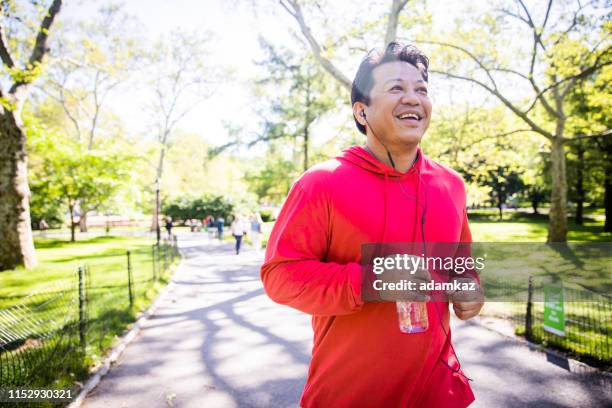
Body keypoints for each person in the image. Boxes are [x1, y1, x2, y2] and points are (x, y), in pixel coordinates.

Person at [261, 42, 484, 407]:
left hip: (441, 392)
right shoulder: (321, 183)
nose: (413, 98)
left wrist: (469, 289)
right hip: (349, 394)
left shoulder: (452, 185)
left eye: (421, 90)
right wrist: (370, 280)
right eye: (396, 88)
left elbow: (461, 265)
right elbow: (280, 276)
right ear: (361, 112)